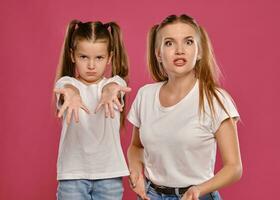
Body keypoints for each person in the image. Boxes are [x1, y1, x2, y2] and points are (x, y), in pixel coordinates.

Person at [127, 14, 242, 200]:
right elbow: (135, 146)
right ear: (158, 53)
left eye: (188, 42)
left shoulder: (215, 99)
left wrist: (198, 189)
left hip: (197, 196)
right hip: (150, 195)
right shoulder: (145, 95)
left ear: (199, 52)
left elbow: (234, 167)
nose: (179, 50)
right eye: (169, 43)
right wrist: (136, 174)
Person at [53, 20, 130, 200]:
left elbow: (114, 85)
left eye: (99, 58)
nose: (91, 65)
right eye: (84, 57)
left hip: (109, 175)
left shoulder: (117, 84)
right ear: (72, 55)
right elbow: (66, 88)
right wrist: (72, 95)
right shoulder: (66, 84)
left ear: (110, 57)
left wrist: (109, 90)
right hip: (73, 176)